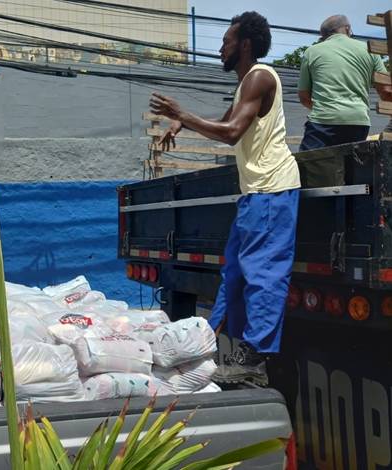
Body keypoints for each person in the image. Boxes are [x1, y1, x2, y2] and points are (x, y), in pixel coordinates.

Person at [150, 11, 301, 385]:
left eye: (226, 41)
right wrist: (182, 121)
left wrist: (183, 113)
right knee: (233, 273)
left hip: (272, 191)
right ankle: (206, 344)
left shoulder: (260, 78)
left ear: (245, 45)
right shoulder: (245, 85)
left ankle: (253, 356)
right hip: (255, 196)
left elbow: (232, 132)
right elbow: (226, 120)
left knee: (263, 276)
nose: (220, 48)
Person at [298, 15, 389, 150]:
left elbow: (304, 97)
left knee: (309, 165)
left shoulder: (311, 52)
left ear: (323, 36)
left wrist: (327, 108)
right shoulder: (370, 51)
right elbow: (386, 90)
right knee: (351, 167)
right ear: (347, 29)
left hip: (322, 121)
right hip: (358, 121)